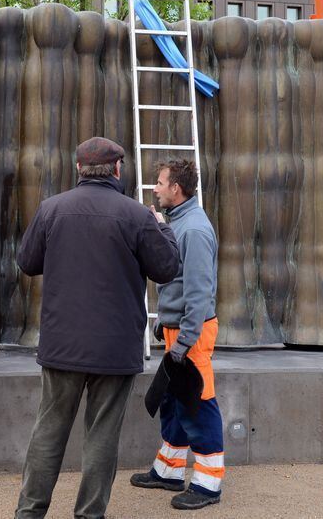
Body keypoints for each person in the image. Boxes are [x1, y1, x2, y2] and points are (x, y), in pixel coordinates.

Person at [14, 137, 181, 519]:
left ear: (78, 169)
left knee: (49, 430)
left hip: (62, 343)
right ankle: (90, 514)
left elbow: (27, 262)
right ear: (118, 169)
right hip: (114, 347)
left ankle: (29, 511)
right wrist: (163, 227)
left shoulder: (51, 209)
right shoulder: (137, 215)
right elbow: (168, 269)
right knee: (102, 434)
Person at [131, 159, 224, 510]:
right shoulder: (181, 222)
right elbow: (180, 285)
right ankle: (168, 470)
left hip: (191, 334)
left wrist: (183, 340)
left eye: (160, 183)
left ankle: (208, 485)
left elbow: (199, 293)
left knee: (198, 403)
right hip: (180, 330)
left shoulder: (194, 231)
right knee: (174, 401)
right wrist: (166, 325)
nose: (155, 188)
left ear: (176, 189)